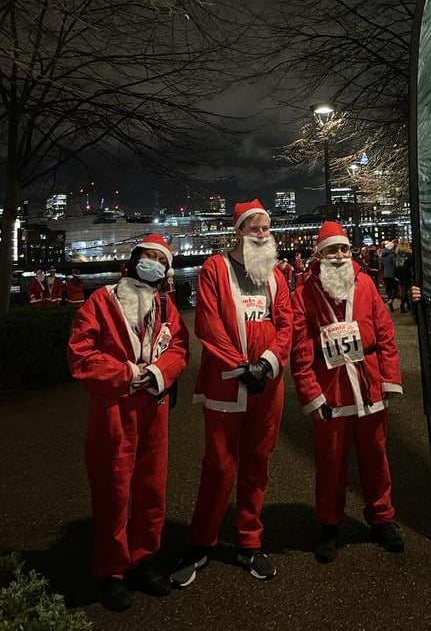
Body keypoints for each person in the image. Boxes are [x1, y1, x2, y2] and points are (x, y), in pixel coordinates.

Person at [171, 199, 292, 587]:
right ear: (239, 231)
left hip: (267, 384)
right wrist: (242, 366)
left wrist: (268, 363)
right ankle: (201, 540)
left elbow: (287, 322)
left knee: (258, 462)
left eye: (266, 228)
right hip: (228, 381)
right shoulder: (214, 268)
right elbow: (208, 323)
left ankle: (250, 540)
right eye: (255, 228)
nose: (262, 234)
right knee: (219, 464)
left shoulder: (275, 274)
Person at [67, 233, 190, 612]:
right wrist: (125, 373)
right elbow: (80, 355)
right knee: (112, 489)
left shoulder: (165, 305)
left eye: (160, 259)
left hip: (153, 407)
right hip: (113, 408)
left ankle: (143, 559)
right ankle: (110, 571)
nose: (153, 263)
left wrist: (156, 373)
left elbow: (180, 348)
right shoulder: (100, 300)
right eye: (147, 256)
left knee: (152, 488)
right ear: (133, 260)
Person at [291, 220, 404, 564]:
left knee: (376, 458)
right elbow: (301, 350)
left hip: (367, 383)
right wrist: (311, 394)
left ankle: (382, 518)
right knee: (330, 463)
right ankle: (328, 523)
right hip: (331, 391)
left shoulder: (366, 283)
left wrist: (388, 380)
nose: (338, 255)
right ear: (319, 254)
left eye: (343, 249)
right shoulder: (304, 293)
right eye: (331, 250)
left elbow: (385, 334)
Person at [380, 241, 398, 310]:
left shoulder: (382, 256)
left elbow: (381, 265)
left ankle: (391, 306)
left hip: (385, 274)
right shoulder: (393, 256)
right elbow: (395, 265)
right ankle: (391, 300)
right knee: (395, 289)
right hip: (392, 274)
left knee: (388, 290)